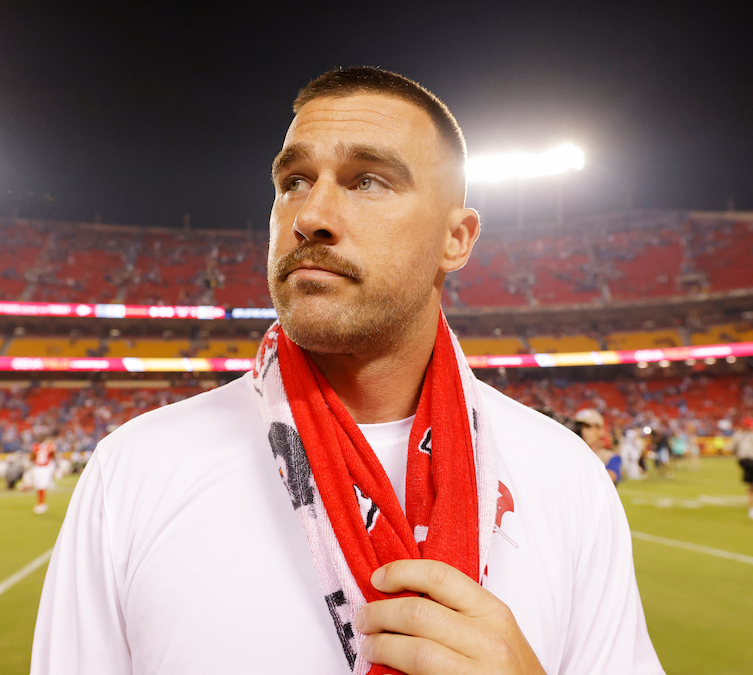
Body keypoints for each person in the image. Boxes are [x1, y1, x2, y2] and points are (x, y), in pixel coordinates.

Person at [33, 66, 662, 675]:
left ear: (458, 239)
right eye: (294, 182)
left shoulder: (565, 474)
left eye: (368, 181)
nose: (310, 215)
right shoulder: (135, 470)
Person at [575, 409, 621, 485]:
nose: (583, 431)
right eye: (579, 427)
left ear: (600, 430)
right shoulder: (571, 453)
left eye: (588, 427)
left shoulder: (610, 457)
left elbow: (610, 478)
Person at [31, 436, 56, 514]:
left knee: (41, 486)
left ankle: (41, 503)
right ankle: (41, 503)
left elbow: (32, 457)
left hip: (42, 467)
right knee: (39, 486)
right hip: (41, 467)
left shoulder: (38, 446)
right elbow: (53, 456)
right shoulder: (47, 446)